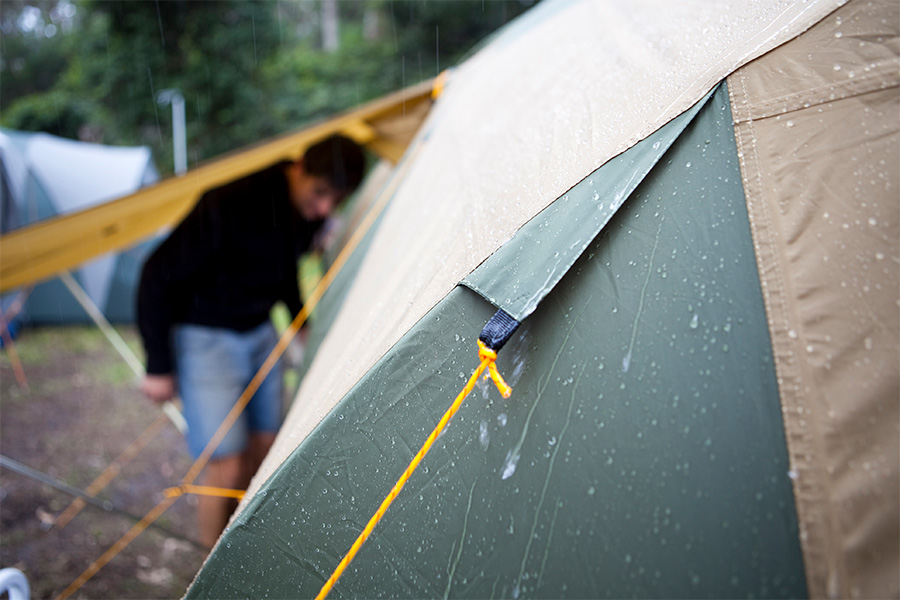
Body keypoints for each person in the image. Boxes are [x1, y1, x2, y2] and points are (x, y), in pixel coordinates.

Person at [137, 134, 365, 548]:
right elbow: (156, 276)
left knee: (268, 444)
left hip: (260, 333)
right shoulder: (231, 200)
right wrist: (157, 365)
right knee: (226, 460)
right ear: (298, 168)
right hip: (205, 336)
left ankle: (253, 545)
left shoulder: (307, 213)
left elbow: (284, 270)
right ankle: (212, 565)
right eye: (319, 193)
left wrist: (300, 322)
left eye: (336, 199)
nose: (325, 208)